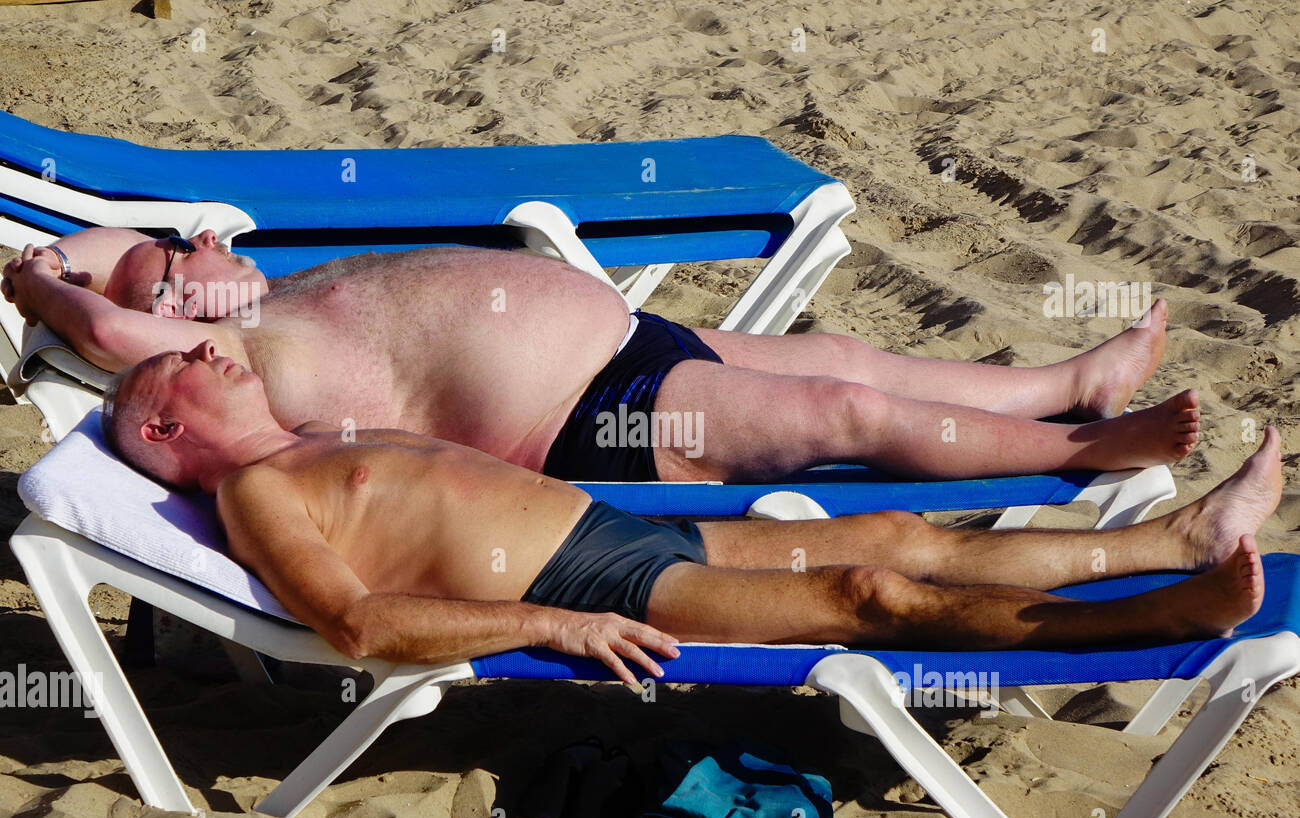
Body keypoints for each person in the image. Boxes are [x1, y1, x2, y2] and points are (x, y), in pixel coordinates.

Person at [99, 340, 1275, 688]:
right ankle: (1150, 617)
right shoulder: (256, 487)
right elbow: (354, 624)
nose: (206, 345)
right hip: (578, 590)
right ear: (163, 431)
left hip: (607, 526)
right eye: (182, 367)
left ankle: (1168, 537)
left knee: (895, 537)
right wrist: (540, 627)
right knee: (866, 595)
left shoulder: (303, 436)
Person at [3, 229, 1197, 484]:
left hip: (626, 342)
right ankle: (1086, 443)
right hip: (588, 418)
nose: (204, 244)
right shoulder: (192, 351)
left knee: (834, 347)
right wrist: (35, 279)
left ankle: (1063, 384)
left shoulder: (260, 302)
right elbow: (106, 327)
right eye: (171, 259)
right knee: (836, 404)